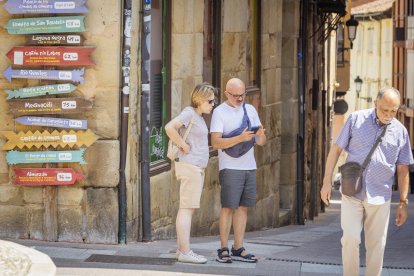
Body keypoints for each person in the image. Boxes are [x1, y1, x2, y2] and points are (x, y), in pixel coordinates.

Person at [320, 87, 414, 276]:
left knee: (377, 245)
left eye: (393, 111)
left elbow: (403, 169)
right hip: (352, 191)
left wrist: (403, 202)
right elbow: (336, 150)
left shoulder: (400, 131)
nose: (388, 115)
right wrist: (326, 182)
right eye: (384, 110)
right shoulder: (356, 119)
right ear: (375, 104)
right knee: (350, 238)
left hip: (381, 195)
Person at [210, 78, 266, 263]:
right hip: (230, 166)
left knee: (243, 208)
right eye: (236, 95)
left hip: (249, 166)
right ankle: (223, 248)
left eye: (242, 95)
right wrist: (240, 138)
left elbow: (261, 143)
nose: (240, 98)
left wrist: (260, 135)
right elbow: (216, 142)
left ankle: (238, 248)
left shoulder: (250, 110)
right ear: (227, 93)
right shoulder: (219, 112)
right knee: (228, 207)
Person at [165, 83, 218, 264]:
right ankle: (186, 252)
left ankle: (182, 250)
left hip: (195, 167)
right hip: (190, 167)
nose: (213, 104)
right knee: (187, 209)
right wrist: (182, 144)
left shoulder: (199, 116)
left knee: (188, 208)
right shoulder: (189, 113)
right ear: (200, 100)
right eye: (210, 101)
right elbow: (169, 127)